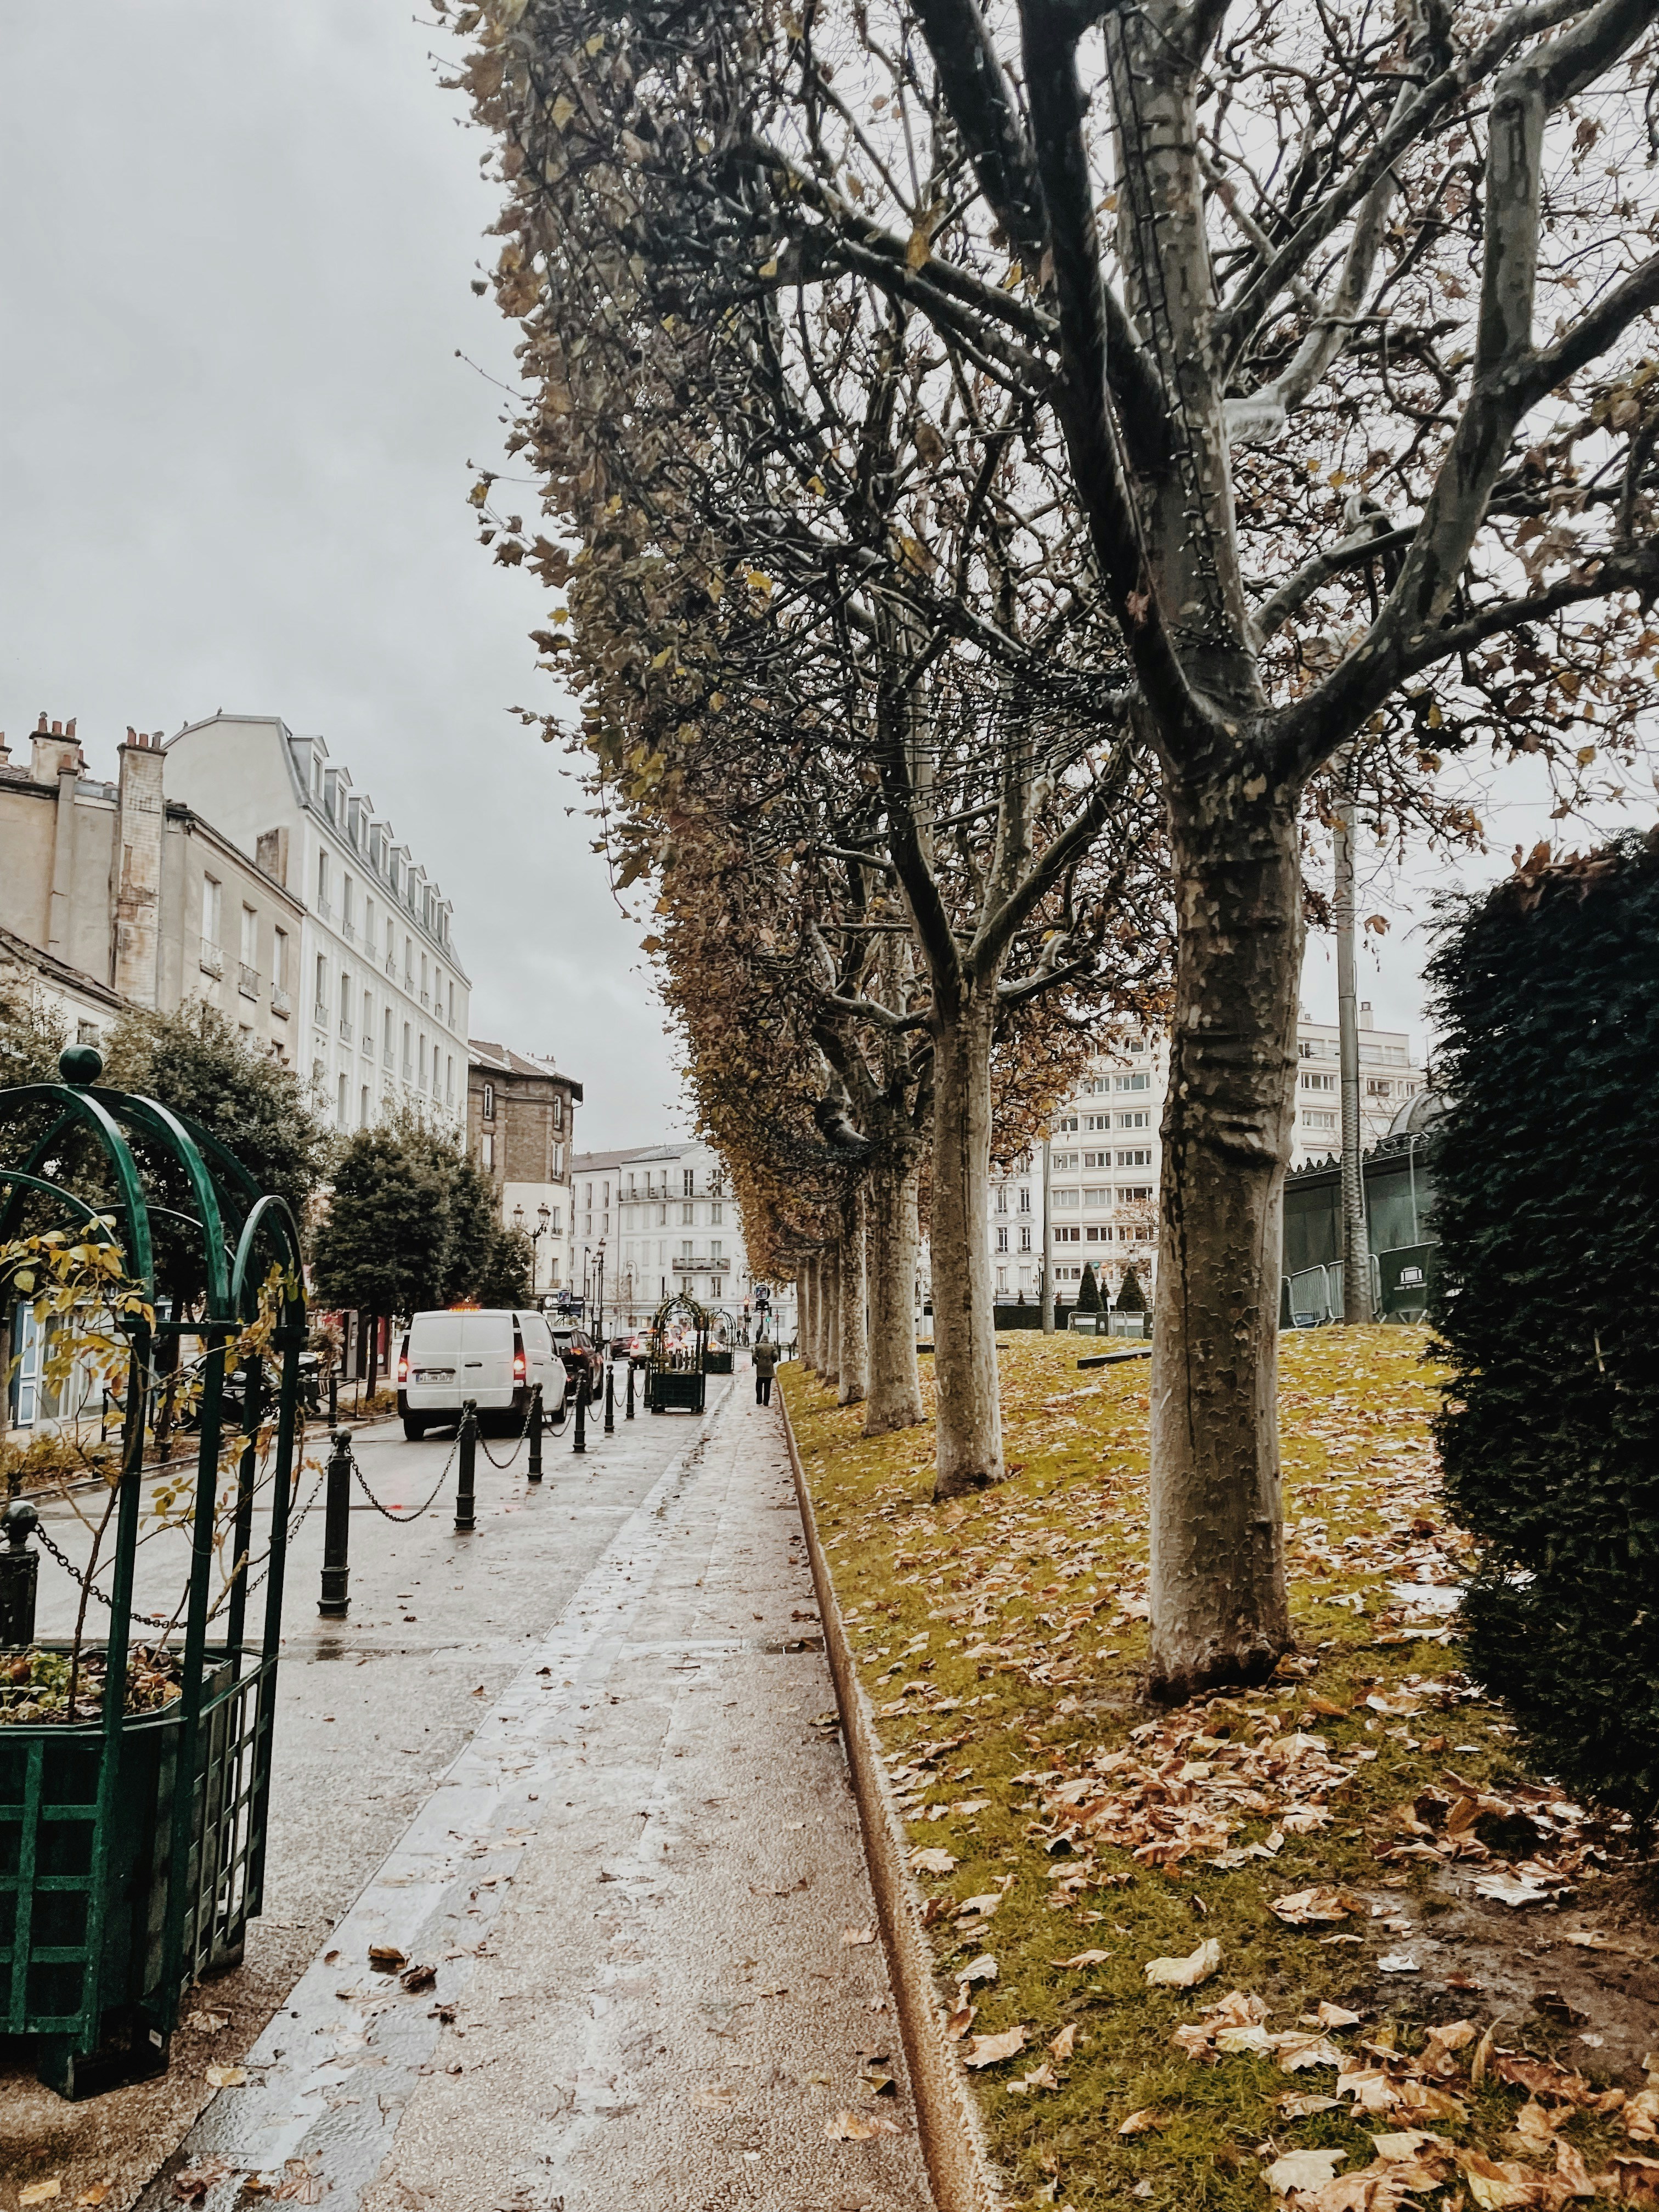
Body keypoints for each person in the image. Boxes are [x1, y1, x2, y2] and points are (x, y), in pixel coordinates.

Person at [752, 1333, 778, 1407]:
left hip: (761, 1367)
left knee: (759, 1385)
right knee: (767, 1386)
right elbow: (776, 1356)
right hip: (769, 1367)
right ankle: (766, 1402)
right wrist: (772, 1362)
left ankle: (759, 1401)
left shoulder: (758, 1346)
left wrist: (757, 1362)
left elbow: (754, 1356)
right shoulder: (772, 1346)